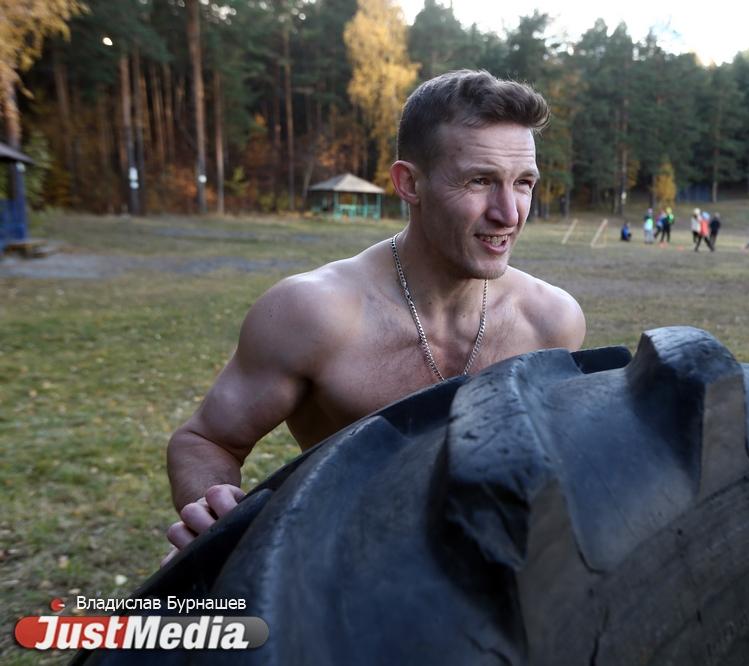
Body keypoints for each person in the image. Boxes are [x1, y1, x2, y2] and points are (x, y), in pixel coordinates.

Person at [163, 70, 587, 564]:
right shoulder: (314, 313)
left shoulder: (551, 322)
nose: (509, 213)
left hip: (488, 579)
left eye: (524, 183)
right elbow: (205, 440)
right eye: (480, 181)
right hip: (340, 576)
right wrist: (213, 507)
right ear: (409, 183)